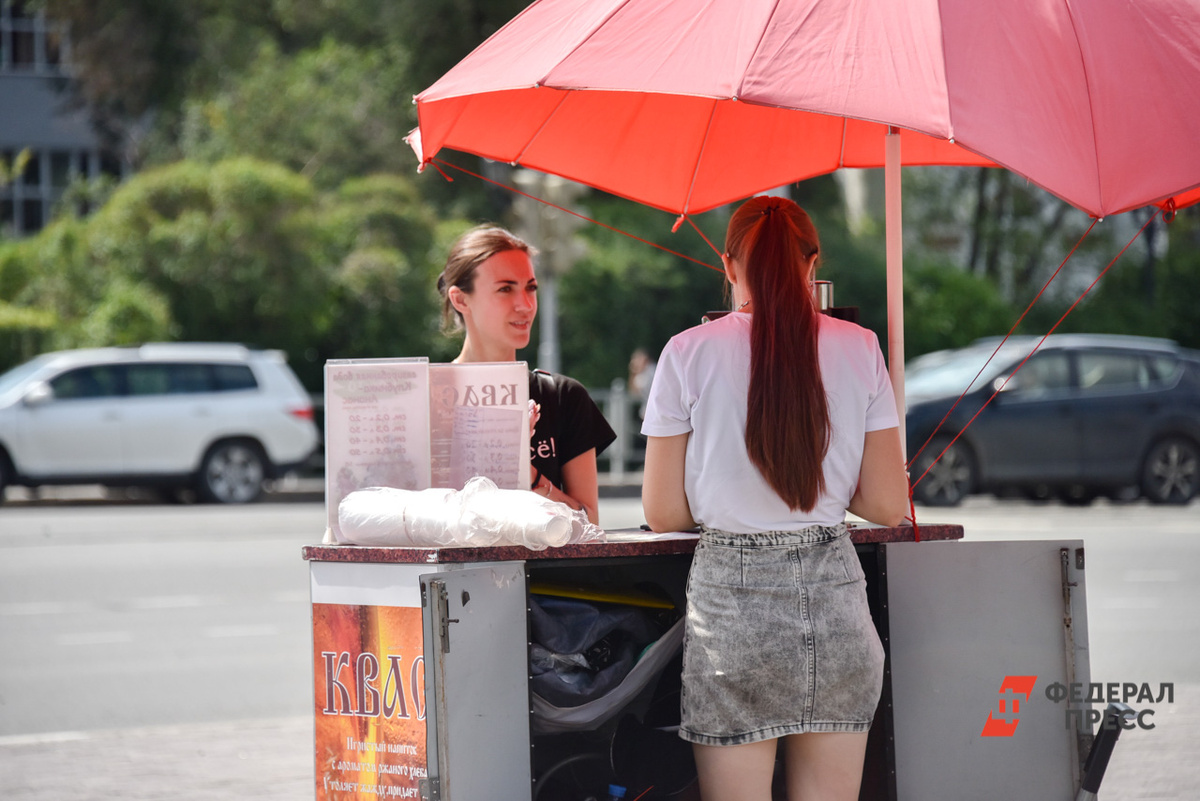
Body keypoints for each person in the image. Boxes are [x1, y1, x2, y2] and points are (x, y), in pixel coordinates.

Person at [640, 196, 908, 801]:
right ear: (812, 263)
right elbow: (890, 505)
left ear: (729, 267)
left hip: (732, 618)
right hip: (838, 608)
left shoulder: (686, 352)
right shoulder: (861, 347)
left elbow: (662, 513)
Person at [438, 224, 615, 524]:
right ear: (460, 300)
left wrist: (526, 473)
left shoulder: (562, 397)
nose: (525, 305)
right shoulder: (429, 399)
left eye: (530, 287)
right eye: (505, 289)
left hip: (543, 572)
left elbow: (589, 523)